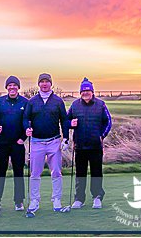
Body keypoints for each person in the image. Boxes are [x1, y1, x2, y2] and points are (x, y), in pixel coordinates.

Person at [23, 73, 70, 213]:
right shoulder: (32, 101)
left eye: (47, 82)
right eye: (42, 82)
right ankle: (34, 201)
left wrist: (66, 138)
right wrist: (27, 128)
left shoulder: (58, 101)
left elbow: (64, 121)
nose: (44, 84)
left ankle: (56, 199)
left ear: (51, 84)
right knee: (35, 173)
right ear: (38, 84)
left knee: (56, 171)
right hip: (36, 142)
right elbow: (25, 118)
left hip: (54, 141)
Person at [67, 77, 112, 209]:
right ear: (80, 92)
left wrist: (102, 136)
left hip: (95, 145)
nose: (85, 93)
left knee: (96, 172)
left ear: (92, 92)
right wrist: (70, 123)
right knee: (80, 173)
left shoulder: (101, 104)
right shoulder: (75, 105)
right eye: (83, 91)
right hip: (79, 145)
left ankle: (97, 197)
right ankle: (79, 199)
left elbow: (108, 122)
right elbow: (65, 120)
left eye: (88, 90)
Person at [0, 75, 29, 217]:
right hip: (2, 143)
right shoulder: (0, 102)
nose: (12, 87)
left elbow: (27, 121)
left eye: (14, 85)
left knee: (18, 173)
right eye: (9, 85)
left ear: (18, 87)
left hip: (18, 144)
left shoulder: (24, 102)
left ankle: (19, 201)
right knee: (0, 173)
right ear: (6, 88)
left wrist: (23, 138)